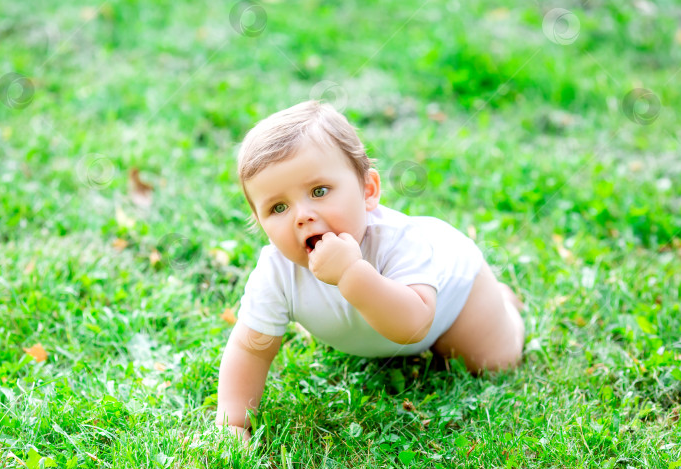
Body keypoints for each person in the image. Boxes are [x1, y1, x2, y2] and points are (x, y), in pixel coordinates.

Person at [215, 100, 524, 441]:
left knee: (491, 363)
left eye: (319, 191)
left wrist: (351, 274)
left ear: (368, 191)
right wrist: (233, 422)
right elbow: (251, 347)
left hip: (455, 296)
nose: (301, 215)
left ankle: (504, 302)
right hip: (380, 327)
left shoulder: (399, 240)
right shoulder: (276, 270)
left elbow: (414, 324)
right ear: (261, 223)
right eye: (278, 207)